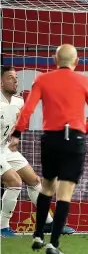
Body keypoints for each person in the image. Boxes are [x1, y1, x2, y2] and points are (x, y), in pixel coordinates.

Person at [9, 44, 88, 254]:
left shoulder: (42, 79)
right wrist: (85, 129)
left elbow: (28, 109)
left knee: (46, 187)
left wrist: (17, 134)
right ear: (77, 61)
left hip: (51, 139)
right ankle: (53, 243)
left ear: (55, 60)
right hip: (74, 139)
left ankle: (37, 235)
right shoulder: (84, 81)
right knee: (65, 192)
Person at [0, 66, 75, 237]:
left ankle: (48, 223)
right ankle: (2, 227)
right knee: (14, 182)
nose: (15, 80)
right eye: (10, 77)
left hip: (6, 148)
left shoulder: (19, 101)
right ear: (1, 81)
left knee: (34, 181)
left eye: (16, 78)